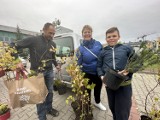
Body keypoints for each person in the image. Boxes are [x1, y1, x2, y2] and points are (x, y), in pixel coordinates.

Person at [11, 23, 61, 120]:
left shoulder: (53, 44)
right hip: (37, 72)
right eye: (50, 33)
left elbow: (53, 57)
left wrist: (56, 65)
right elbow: (13, 45)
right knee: (39, 95)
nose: (52, 36)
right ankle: (42, 116)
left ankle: (49, 109)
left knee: (50, 91)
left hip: (49, 71)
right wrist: (17, 61)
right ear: (43, 30)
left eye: (53, 34)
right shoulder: (33, 40)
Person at [97, 27, 134, 120]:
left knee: (122, 112)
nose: (111, 38)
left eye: (114, 36)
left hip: (124, 85)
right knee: (113, 108)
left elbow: (138, 62)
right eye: (109, 37)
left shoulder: (126, 49)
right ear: (106, 39)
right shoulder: (103, 52)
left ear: (119, 37)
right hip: (110, 85)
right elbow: (99, 66)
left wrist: (128, 70)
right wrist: (101, 76)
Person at [76, 25, 106, 111]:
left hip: (98, 72)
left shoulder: (98, 44)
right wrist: (78, 74)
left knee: (98, 88)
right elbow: (79, 62)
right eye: (85, 32)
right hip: (87, 73)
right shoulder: (80, 48)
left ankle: (97, 102)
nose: (87, 34)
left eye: (89, 32)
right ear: (82, 34)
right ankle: (87, 105)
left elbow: (103, 56)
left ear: (91, 33)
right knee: (87, 91)